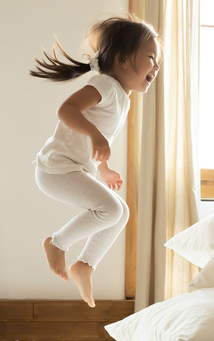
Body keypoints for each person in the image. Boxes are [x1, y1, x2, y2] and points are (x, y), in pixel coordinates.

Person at [30, 16, 160, 307]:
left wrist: (103, 167)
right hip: (55, 170)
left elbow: (96, 140)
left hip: (71, 169)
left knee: (120, 212)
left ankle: (85, 265)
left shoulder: (121, 97)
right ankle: (57, 243)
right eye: (150, 57)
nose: (156, 66)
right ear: (123, 60)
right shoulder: (105, 84)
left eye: (158, 60)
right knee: (111, 209)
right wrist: (95, 134)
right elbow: (67, 110)